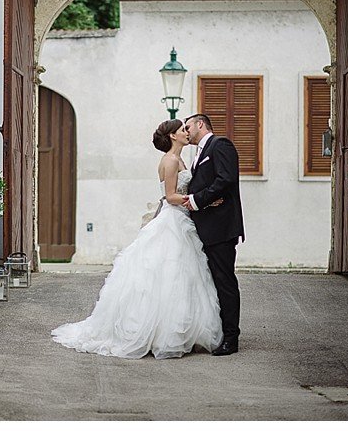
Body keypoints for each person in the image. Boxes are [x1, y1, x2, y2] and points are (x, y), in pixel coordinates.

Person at [51, 119, 222, 359]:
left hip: (181, 219)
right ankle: (161, 333)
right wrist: (197, 200)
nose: (187, 132)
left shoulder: (181, 159)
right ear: (173, 136)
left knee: (183, 276)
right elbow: (171, 196)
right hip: (173, 219)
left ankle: (184, 332)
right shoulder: (171, 161)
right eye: (183, 129)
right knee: (169, 274)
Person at [182, 114, 245, 356]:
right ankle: (217, 331)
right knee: (211, 282)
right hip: (205, 227)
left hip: (221, 227)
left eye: (188, 126)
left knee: (225, 282)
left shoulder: (220, 145)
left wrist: (199, 200)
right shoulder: (199, 152)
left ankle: (232, 338)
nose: (186, 131)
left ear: (200, 124)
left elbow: (227, 178)